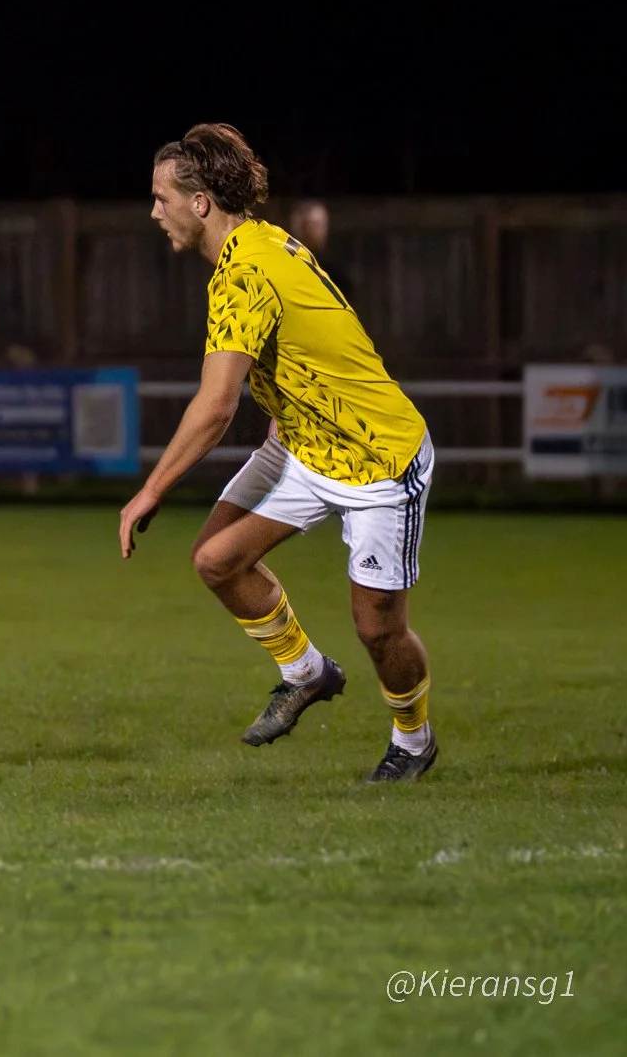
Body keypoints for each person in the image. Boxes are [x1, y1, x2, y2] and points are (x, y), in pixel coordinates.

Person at [119, 124, 436, 783]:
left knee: (377, 629)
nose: (154, 212)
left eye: (160, 198)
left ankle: (414, 739)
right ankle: (307, 672)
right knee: (217, 559)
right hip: (301, 443)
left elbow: (213, 407)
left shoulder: (243, 275)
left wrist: (150, 490)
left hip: (377, 457)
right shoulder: (263, 239)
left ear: (201, 201)